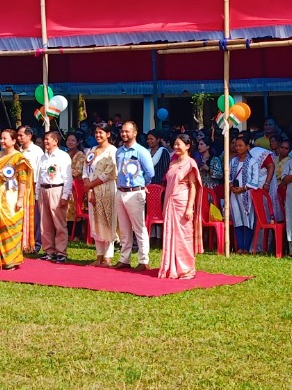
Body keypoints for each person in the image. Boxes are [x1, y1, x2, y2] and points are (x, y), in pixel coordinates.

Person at [158, 134, 204, 280]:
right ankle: (172, 267)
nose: (176, 147)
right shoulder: (172, 163)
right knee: (171, 234)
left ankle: (186, 269)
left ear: (187, 146)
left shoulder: (190, 163)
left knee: (184, 235)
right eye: (175, 144)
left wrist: (190, 207)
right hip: (170, 201)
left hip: (182, 202)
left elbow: (193, 186)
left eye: (179, 144)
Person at [0, 129, 32, 270]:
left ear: (13, 141)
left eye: (5, 138)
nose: (2, 141)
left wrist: (20, 199)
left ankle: (11, 260)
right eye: (1, 138)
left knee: (11, 225)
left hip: (11, 196)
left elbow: (23, 180)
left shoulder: (19, 157)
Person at [114, 120, 154, 269]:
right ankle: (124, 259)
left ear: (135, 133)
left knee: (139, 228)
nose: (124, 134)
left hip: (135, 192)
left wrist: (142, 184)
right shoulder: (119, 151)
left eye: (127, 131)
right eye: (122, 131)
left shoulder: (141, 152)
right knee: (124, 229)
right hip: (121, 191)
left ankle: (143, 260)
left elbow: (150, 173)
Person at [34, 128, 73, 263]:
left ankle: (61, 252)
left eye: (48, 139)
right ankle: (49, 251)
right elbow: (39, 176)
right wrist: (37, 194)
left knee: (59, 223)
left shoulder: (63, 156)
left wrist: (65, 195)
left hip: (57, 189)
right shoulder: (43, 157)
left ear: (55, 141)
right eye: (44, 139)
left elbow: (67, 177)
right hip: (43, 189)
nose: (45, 142)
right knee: (45, 223)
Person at [85, 122, 119, 264]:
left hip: (107, 189)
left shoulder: (113, 151)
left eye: (101, 132)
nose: (98, 135)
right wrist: (89, 189)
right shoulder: (92, 150)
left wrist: (91, 185)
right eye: (96, 132)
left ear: (108, 134)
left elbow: (110, 172)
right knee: (95, 221)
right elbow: (85, 170)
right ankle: (99, 255)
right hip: (92, 190)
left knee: (107, 221)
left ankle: (107, 256)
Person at [227, 134, 256, 252]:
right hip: (234, 194)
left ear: (247, 146)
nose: (237, 148)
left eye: (240, 145)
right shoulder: (233, 161)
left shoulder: (253, 162)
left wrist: (243, 188)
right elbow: (228, 176)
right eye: (236, 145)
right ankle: (240, 247)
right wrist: (231, 185)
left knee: (248, 220)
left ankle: (246, 247)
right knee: (237, 219)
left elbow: (255, 180)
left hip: (247, 195)